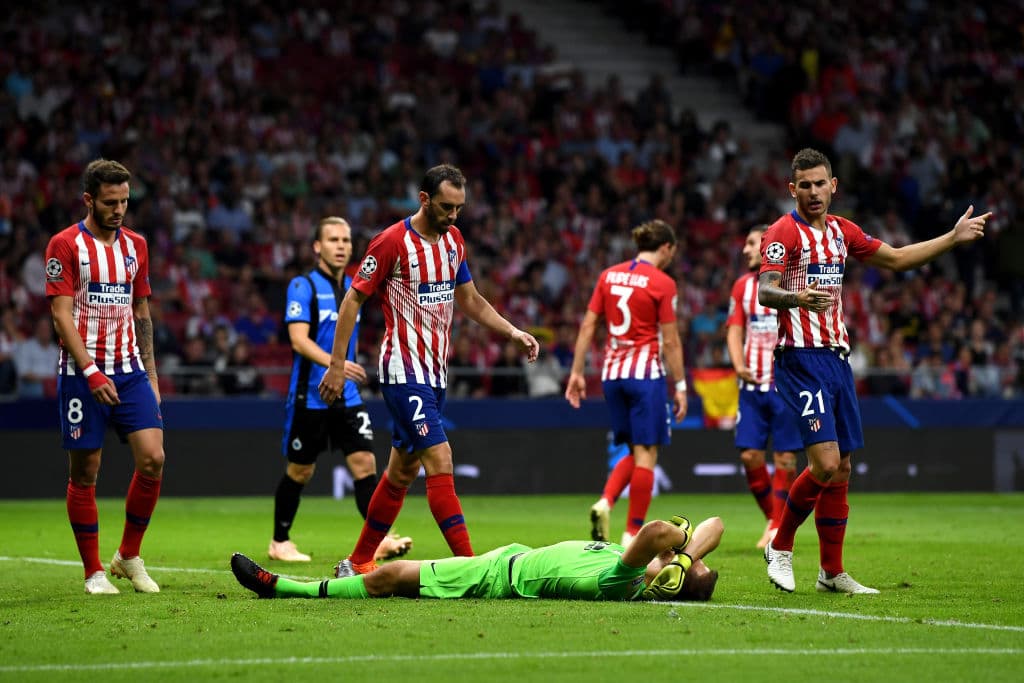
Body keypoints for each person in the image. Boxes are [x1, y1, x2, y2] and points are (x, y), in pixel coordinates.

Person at [758, 148, 990, 594]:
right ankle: (780, 545)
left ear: (833, 186)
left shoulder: (844, 232)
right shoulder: (782, 232)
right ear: (792, 189)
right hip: (801, 359)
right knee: (823, 463)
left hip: (837, 360)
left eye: (819, 183)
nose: (812, 192)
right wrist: (798, 298)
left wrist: (952, 237)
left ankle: (831, 572)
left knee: (842, 467)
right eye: (803, 185)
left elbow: (898, 258)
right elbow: (767, 289)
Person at [319, 165, 540, 577]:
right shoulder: (390, 242)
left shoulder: (454, 241)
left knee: (401, 470)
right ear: (424, 199)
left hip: (436, 374)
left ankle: (359, 560)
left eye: (459, 207)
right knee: (440, 458)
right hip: (403, 370)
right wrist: (335, 364)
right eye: (446, 206)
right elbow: (351, 302)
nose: (454, 215)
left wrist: (512, 332)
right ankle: (471, 566)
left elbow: (470, 300)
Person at [44, 159, 165, 594]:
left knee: (153, 458)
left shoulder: (137, 246)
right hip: (82, 374)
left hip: (130, 369)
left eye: (125, 202)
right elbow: (61, 315)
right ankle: (93, 571)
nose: (119, 210)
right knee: (86, 471)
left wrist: (151, 374)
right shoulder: (65, 245)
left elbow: (142, 311)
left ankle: (128, 555)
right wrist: (92, 372)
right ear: (89, 200)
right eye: (110, 202)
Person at [271, 216, 412, 563]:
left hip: (347, 396)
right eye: (333, 240)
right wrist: (335, 363)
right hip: (311, 395)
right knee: (300, 470)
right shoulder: (302, 286)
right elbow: (298, 340)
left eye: (346, 241)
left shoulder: (354, 286)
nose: (341, 246)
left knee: (365, 463)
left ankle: (377, 540)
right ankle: (279, 541)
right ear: (317, 246)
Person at [232, 514, 723, 602]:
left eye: (684, 565)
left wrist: (677, 547)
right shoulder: (641, 566)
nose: (684, 554)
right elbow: (715, 526)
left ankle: (281, 586)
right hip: (509, 557)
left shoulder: (624, 580)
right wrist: (688, 557)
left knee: (387, 579)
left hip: (495, 577)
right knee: (390, 577)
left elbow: (660, 530)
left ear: (668, 581)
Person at [564, 219, 688, 547]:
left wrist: (577, 372)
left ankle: (605, 502)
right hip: (645, 376)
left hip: (612, 376)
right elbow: (671, 341)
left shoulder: (608, 276)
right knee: (648, 454)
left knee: (634, 449)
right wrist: (681, 385)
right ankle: (632, 534)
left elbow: (589, 325)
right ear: (666, 247)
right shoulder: (662, 283)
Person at [725, 225, 802, 549]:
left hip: (784, 383)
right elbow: (733, 329)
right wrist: (737, 364)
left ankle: (775, 526)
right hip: (752, 385)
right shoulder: (741, 286)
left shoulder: (789, 283)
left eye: (752, 243)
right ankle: (774, 520)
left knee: (785, 458)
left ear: (769, 246)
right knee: (750, 455)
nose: (746, 249)